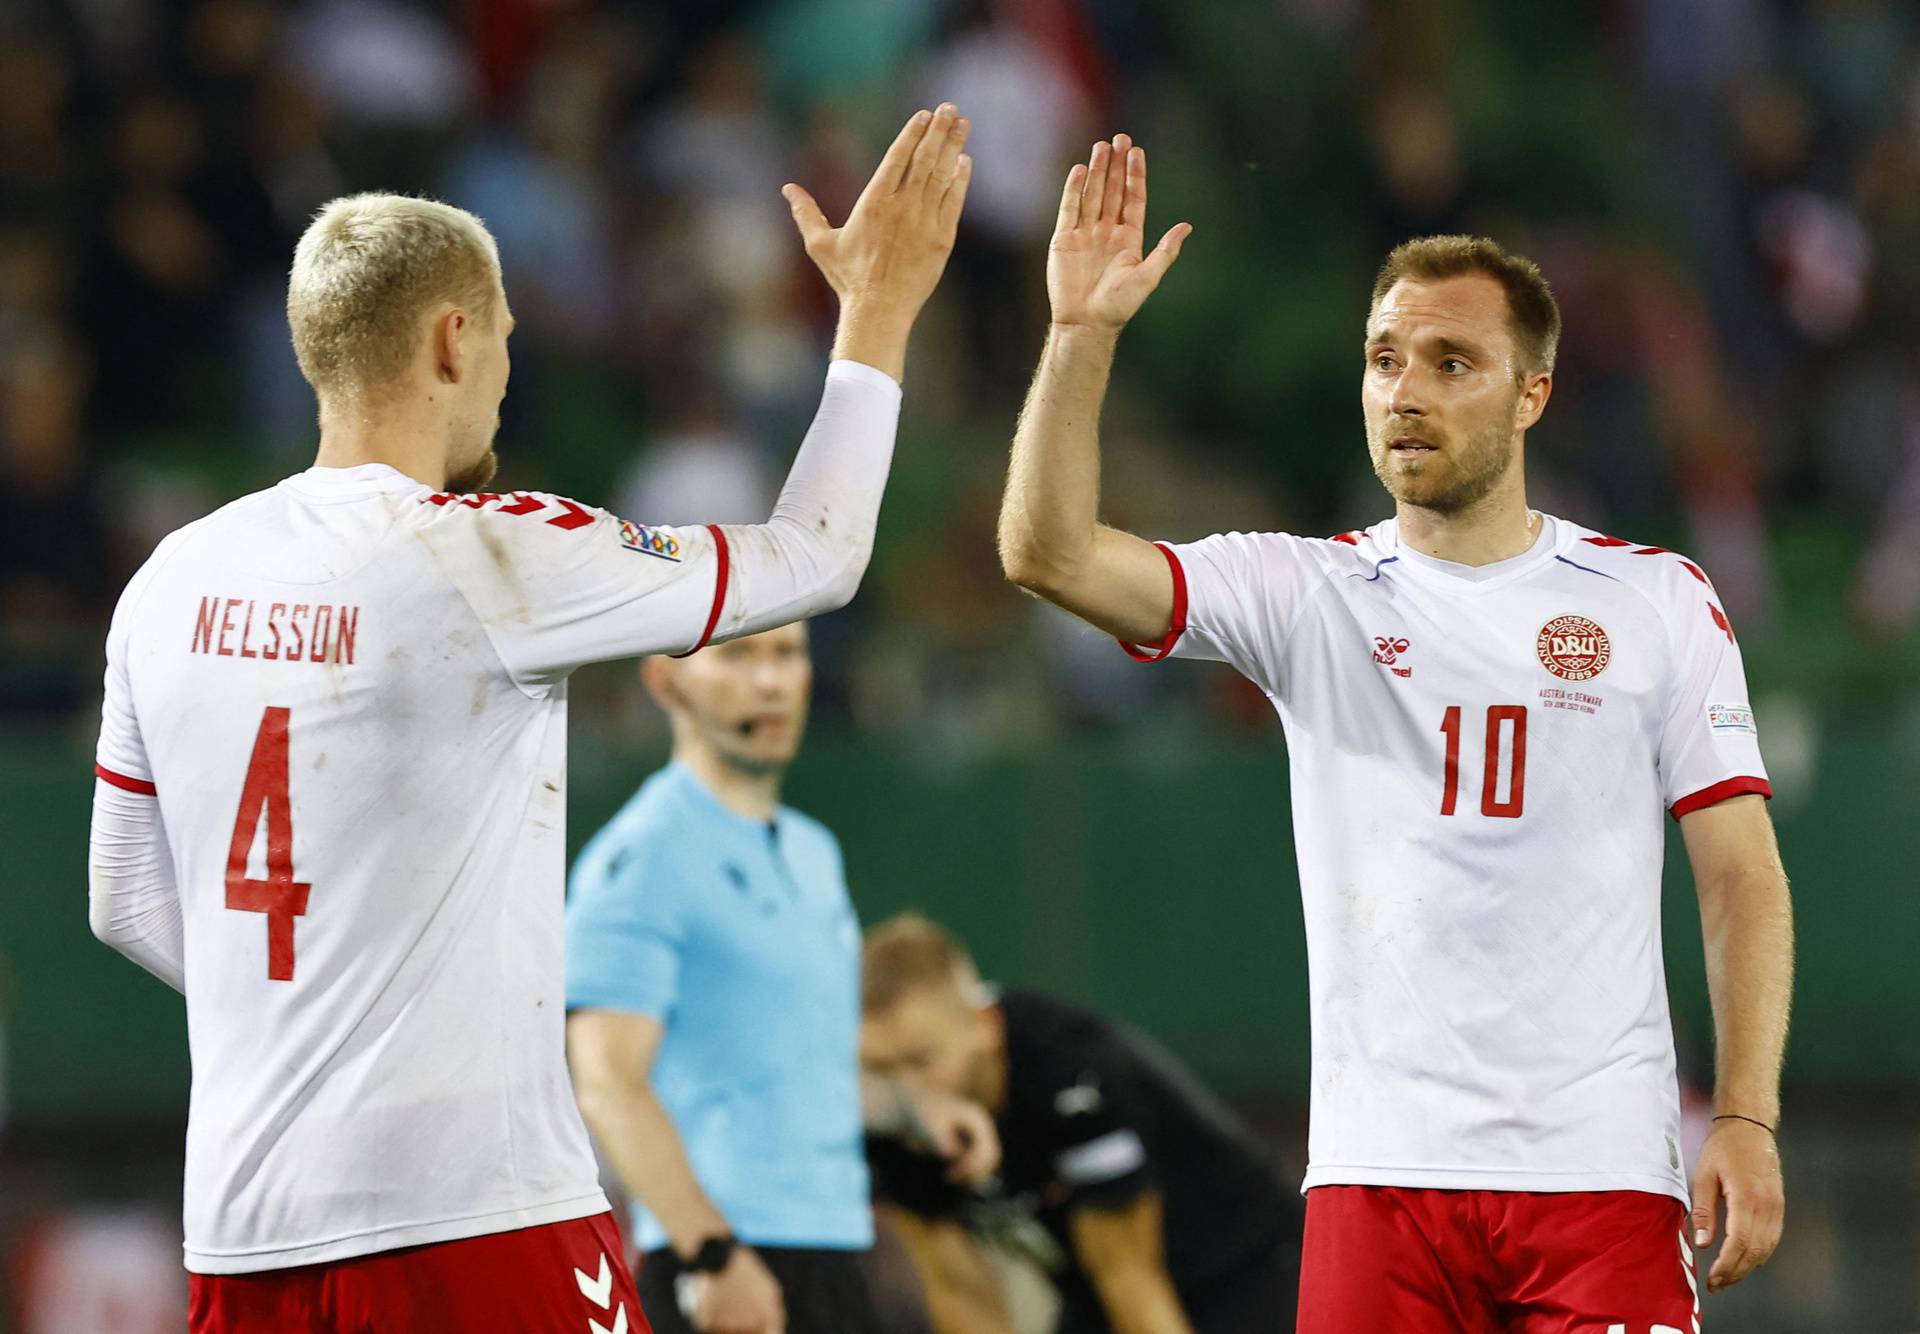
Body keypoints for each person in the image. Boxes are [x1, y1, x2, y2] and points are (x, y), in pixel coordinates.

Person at [85, 103, 973, 1334]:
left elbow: (124, 900)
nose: (507, 372)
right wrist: (877, 315)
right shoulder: (483, 552)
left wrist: (312, 1013)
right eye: (503, 338)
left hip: (242, 1233)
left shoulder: (169, 577)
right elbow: (814, 557)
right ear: (454, 338)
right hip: (476, 1217)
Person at [996, 134, 1791, 1330]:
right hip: (1379, 1181)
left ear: (1533, 393)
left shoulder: (1657, 600)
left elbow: (1739, 876)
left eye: (1450, 360)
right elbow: (1047, 552)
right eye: (1383, 359)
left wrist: (1743, 1114)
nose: (1405, 388)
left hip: (1600, 1182)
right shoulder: (1305, 593)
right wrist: (1079, 335)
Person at [565, 622, 999, 1334]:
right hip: (729, 1264)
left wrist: (914, 1109)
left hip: (840, 1250)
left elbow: (803, 1068)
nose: (769, 681)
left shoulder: (812, 851)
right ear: (664, 681)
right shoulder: (641, 858)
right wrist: (710, 1253)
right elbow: (609, 1084)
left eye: (786, 655)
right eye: (738, 655)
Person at [860, 914, 1302, 1334]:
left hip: (1251, 1270)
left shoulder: (1067, 1068)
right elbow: (955, 1291)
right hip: (1096, 1295)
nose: (907, 1091)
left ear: (985, 1027)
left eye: (921, 1061)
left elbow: (1129, 1278)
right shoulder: (890, 1124)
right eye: (882, 1069)